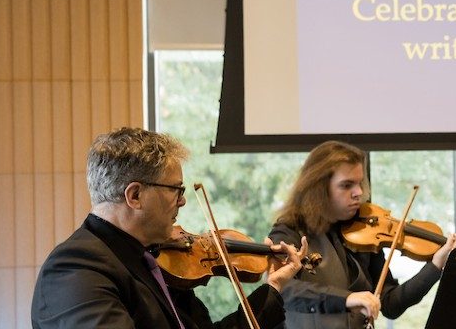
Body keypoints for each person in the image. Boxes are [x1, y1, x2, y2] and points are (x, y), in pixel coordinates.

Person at [31, 127, 309, 329]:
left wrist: (273, 287)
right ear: (135, 196)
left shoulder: (154, 260)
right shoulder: (76, 268)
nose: (184, 200)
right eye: (175, 189)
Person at [268, 140, 456, 328]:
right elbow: (283, 288)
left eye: (359, 183)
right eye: (347, 185)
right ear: (319, 188)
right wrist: (346, 299)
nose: (358, 192)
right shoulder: (290, 229)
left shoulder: (365, 231)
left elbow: (391, 304)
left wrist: (435, 266)